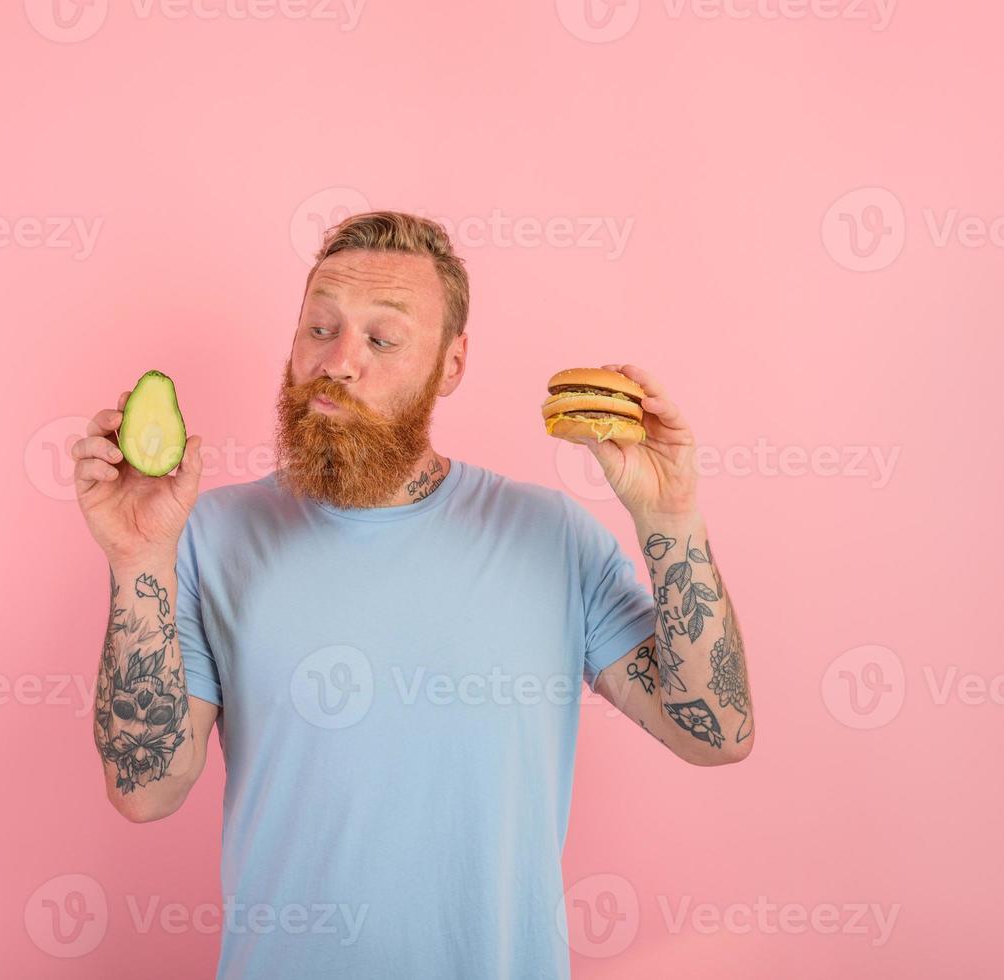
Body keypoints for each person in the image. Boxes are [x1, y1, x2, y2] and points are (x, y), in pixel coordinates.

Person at [73, 210, 756, 979]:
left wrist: (669, 520)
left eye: (382, 339)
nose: (337, 361)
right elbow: (145, 789)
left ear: (451, 364)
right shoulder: (204, 536)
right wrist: (137, 560)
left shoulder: (552, 537)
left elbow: (714, 731)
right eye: (319, 328)